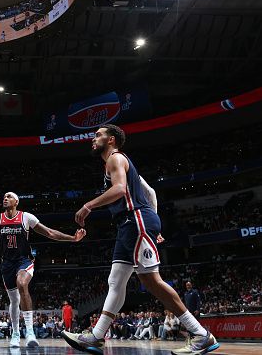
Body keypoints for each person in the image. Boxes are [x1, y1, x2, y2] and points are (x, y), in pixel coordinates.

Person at [62, 124, 219, 355]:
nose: (93, 139)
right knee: (115, 281)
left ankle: (201, 334)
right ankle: (95, 337)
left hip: (135, 220)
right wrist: (154, 226)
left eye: (98, 135)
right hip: (130, 224)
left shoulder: (115, 159)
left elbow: (119, 190)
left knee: (150, 281)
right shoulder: (119, 163)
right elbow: (151, 193)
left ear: (112, 140)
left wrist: (89, 205)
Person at [0, 192, 86, 347]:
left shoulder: (26, 217)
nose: (5, 198)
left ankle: (30, 332)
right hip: (7, 264)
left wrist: (72, 238)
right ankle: (15, 333)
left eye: (9, 196)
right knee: (14, 301)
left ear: (16, 202)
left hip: (24, 260)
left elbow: (49, 232)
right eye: (4, 197)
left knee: (22, 283)